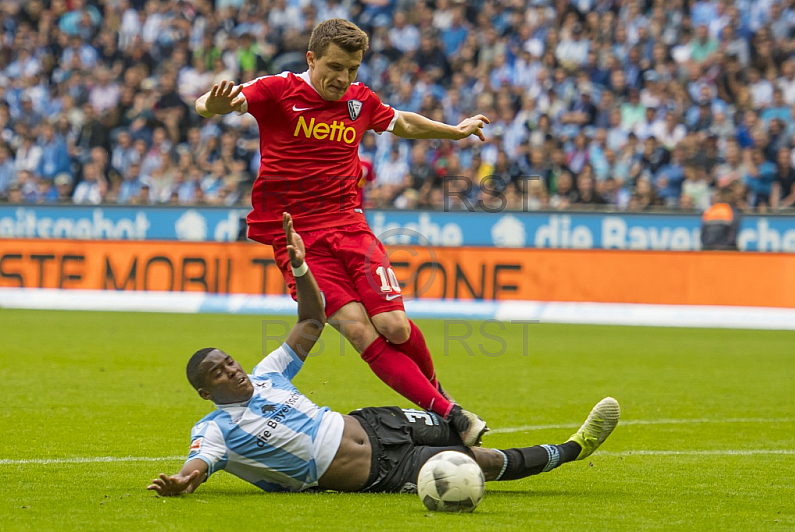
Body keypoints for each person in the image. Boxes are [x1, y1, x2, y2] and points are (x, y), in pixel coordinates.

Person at [146, 213, 621, 496]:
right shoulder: (214, 430)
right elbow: (198, 465)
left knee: (461, 429)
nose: (233, 370)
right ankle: (572, 450)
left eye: (229, 360)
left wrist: (300, 266)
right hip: (377, 470)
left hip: (376, 422)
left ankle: (443, 401)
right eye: (220, 373)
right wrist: (185, 482)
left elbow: (311, 320)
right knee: (481, 462)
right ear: (208, 393)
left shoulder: (269, 374)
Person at [195, 19, 491, 444]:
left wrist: (455, 131)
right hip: (297, 237)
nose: (343, 78)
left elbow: (401, 123)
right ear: (311, 58)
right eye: (335, 67)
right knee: (358, 329)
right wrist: (213, 105)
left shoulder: (358, 99)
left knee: (395, 327)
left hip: (349, 225)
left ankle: (438, 399)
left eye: (352, 69)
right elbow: (211, 103)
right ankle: (451, 414)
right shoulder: (279, 89)